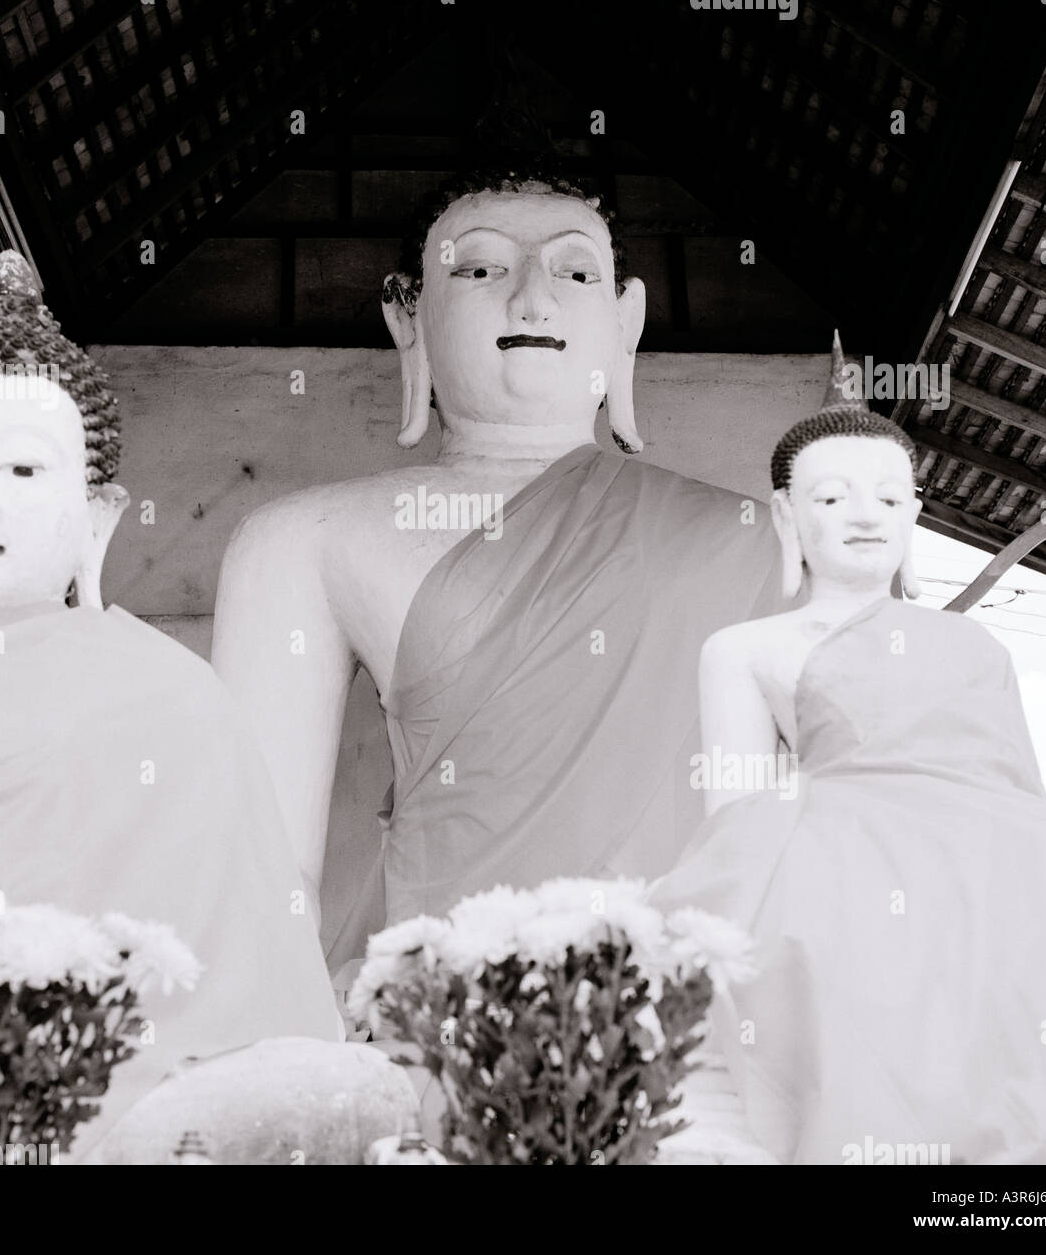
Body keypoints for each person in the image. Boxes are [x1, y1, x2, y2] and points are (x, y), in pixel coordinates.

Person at [0, 251, 341, 1159]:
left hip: (106, 1117)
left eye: (19, 471)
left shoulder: (172, 699)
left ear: (97, 521)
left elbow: (247, 973)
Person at [210, 163, 784, 984]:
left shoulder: (754, 541)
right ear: (407, 316)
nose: (532, 300)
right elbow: (261, 878)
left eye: (576, 271)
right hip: (446, 1011)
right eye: (479, 269)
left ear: (626, 321)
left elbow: (839, 834)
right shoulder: (305, 539)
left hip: (693, 1019)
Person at [651, 339, 1046, 1163]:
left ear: (914, 517)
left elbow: (1021, 796)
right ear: (786, 515)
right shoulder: (746, 647)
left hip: (1001, 879)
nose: (865, 516)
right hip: (837, 880)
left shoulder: (975, 650)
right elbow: (735, 819)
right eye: (831, 497)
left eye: (891, 500)